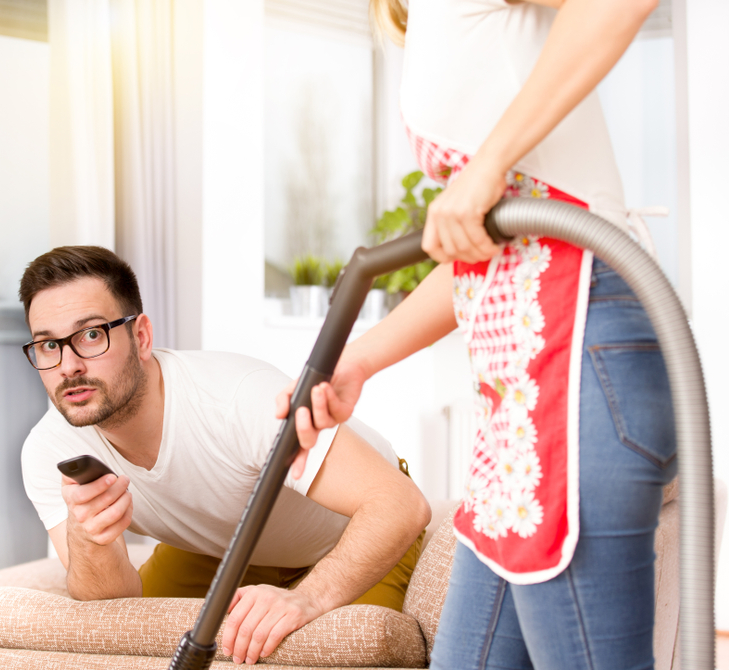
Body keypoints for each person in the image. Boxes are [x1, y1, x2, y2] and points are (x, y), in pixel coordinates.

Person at [278, 0, 675, 668]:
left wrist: (489, 164)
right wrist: (360, 360)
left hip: (576, 355)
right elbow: (482, 256)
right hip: (515, 402)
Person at [17, 245, 431, 666]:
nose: (67, 365)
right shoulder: (49, 449)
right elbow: (108, 605)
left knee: (335, 651)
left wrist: (307, 598)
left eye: (90, 335)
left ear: (140, 337)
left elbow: (399, 504)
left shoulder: (237, 398)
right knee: (133, 648)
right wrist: (91, 540)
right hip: (224, 544)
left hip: (347, 534)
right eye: (48, 345)